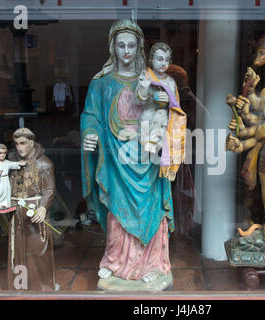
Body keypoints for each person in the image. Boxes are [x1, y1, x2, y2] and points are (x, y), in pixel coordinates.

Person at [81, 19, 175, 286]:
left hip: (147, 157)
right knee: (117, 214)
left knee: (151, 210)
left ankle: (154, 264)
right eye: (121, 45)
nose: (126, 51)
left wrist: (166, 105)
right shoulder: (100, 83)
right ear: (113, 47)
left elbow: (170, 113)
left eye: (131, 45)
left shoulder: (153, 79)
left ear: (139, 47)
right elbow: (90, 116)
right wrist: (90, 134)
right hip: (115, 157)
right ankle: (114, 261)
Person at [6, 128, 57, 291]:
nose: (19, 147)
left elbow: (49, 189)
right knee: (19, 249)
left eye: (23, 143)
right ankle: (21, 286)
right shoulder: (12, 162)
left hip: (35, 211)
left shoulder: (45, 164)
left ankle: (43, 286)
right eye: (16, 144)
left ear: (31, 143)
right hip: (17, 211)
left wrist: (43, 208)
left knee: (39, 250)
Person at [0, 144, 26, 213]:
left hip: (5, 180)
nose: (2, 155)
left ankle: (5, 204)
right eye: (0, 153)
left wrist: (19, 163)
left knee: (6, 192)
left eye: (4, 153)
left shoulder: (6, 162)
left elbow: (12, 164)